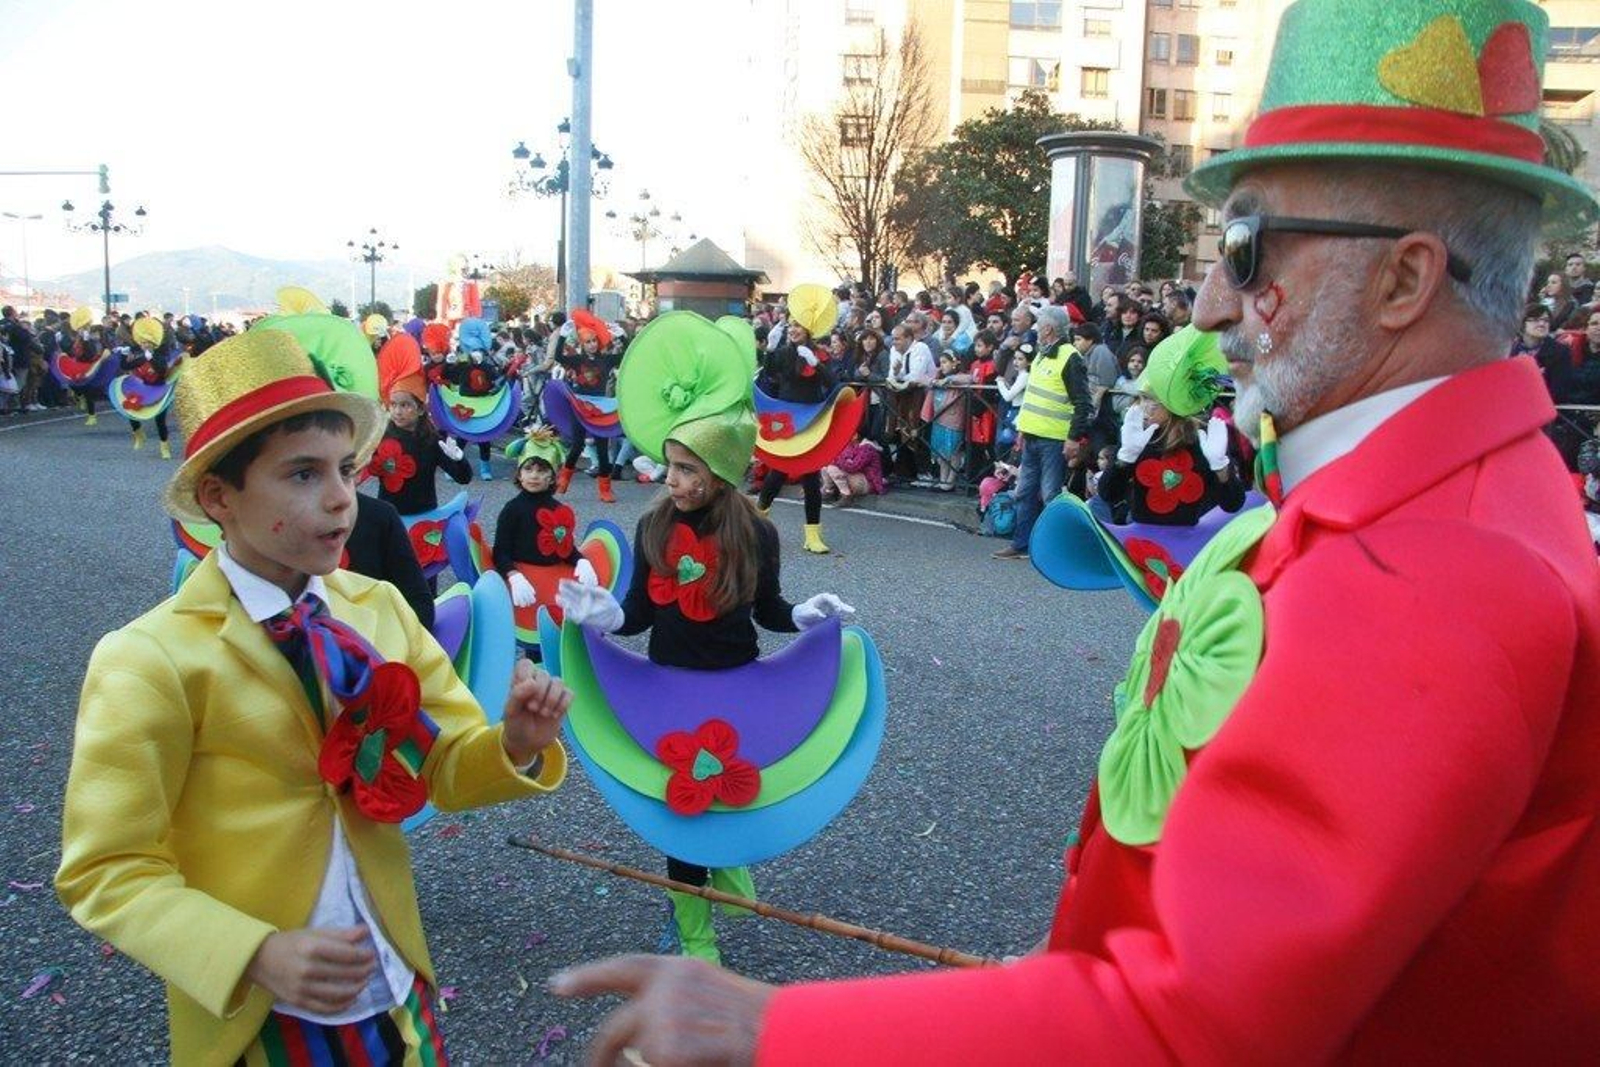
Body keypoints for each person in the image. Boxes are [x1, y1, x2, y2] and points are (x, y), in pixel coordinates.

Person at [550, 0, 1600, 1060]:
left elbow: (1193, 1021)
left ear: (1405, 279)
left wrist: (776, 1026)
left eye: (1243, 246)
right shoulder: (1445, 504)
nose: (1205, 305)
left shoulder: (1430, 570)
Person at [56, 330, 572, 1065]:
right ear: (217, 496)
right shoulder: (149, 659)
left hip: (395, 992)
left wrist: (514, 742)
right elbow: (104, 868)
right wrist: (253, 951)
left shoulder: (381, 611)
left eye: (344, 470)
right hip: (260, 1021)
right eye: (302, 475)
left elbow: (443, 767)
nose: (340, 500)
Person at [558, 313, 855, 967]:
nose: (673, 482)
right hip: (667, 690)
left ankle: (726, 866)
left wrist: (806, 613)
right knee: (681, 808)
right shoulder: (653, 528)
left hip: (737, 687)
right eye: (670, 465)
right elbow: (637, 614)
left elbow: (768, 608)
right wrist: (600, 614)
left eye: (688, 470)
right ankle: (696, 934)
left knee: (733, 792)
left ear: (719, 472)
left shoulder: (758, 534)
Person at [1095, 326, 1245, 525]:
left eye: (1152, 401)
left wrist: (1221, 467)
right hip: (1142, 542)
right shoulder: (1137, 437)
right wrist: (1124, 458)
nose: (1144, 408)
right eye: (1142, 399)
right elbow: (1108, 494)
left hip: (1189, 546)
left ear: (1172, 406)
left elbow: (1233, 505)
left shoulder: (1205, 440)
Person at [992, 305, 1090, 560]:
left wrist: (1073, 438)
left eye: (1038, 325)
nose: (1035, 329)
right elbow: (1031, 397)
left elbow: (1083, 403)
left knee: (1050, 495)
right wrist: (1023, 429)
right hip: (1034, 435)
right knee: (1024, 492)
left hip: (1054, 439)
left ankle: (1056, 548)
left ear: (1048, 328)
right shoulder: (1042, 355)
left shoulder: (1070, 357)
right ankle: (1021, 544)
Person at [755, 286, 841, 554]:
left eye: (798, 326)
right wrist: (769, 349)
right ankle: (756, 526)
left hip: (810, 420)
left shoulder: (819, 355)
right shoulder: (782, 353)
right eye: (791, 325)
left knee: (811, 477)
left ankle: (812, 536)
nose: (793, 330)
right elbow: (768, 377)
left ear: (808, 331)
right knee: (777, 474)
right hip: (786, 420)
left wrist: (816, 363)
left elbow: (831, 383)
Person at [494, 429, 581, 648]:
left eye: (541, 470)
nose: (534, 475)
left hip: (553, 586)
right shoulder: (512, 510)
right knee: (532, 644)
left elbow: (565, 549)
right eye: (528, 469)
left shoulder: (559, 509)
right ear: (519, 474)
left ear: (552, 476)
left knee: (557, 644)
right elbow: (500, 551)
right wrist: (513, 576)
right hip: (526, 587)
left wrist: (582, 561)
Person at [554, 310, 622, 503]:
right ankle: (564, 479)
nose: (591, 345)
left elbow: (625, 356)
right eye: (587, 342)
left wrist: (623, 336)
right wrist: (562, 336)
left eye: (593, 341)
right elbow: (559, 356)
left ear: (598, 341)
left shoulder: (606, 360)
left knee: (602, 448)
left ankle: (605, 489)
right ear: (582, 344)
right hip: (581, 405)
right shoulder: (577, 360)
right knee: (577, 444)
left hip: (601, 407)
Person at [923, 350, 970, 491]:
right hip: (939, 419)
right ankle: (943, 480)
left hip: (954, 420)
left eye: (945, 362)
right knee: (941, 452)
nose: (942, 366)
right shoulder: (939, 376)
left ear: (955, 363)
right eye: (941, 362)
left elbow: (970, 378)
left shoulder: (960, 377)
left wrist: (949, 379)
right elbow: (923, 379)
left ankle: (950, 481)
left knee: (953, 452)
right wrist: (935, 379)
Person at [820, 433, 886, 507]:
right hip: (856, 478)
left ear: (856, 435)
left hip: (867, 483)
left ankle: (846, 495)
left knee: (832, 468)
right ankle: (829, 492)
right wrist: (841, 461)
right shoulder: (850, 445)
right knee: (825, 468)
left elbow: (853, 467)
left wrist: (837, 461)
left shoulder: (868, 448)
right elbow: (842, 459)